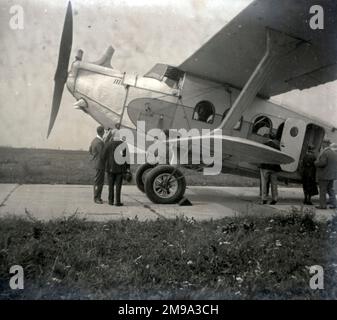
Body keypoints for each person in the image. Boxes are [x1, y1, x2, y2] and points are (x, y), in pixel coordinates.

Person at [102, 129, 130, 206]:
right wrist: (128, 168)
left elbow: (103, 156)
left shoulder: (108, 144)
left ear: (113, 135)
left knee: (110, 186)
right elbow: (127, 158)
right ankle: (117, 202)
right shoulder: (123, 144)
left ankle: (110, 201)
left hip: (110, 168)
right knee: (118, 186)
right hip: (120, 169)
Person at [259, 134, 281, 205]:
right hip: (274, 168)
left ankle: (264, 199)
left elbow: (260, 156)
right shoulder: (277, 147)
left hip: (265, 167)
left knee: (264, 183)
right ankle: (275, 199)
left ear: (267, 138)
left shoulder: (264, 145)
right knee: (274, 184)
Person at [315, 142, 337, 209]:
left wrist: (315, 163)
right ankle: (334, 204)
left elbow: (322, 163)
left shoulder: (325, 153)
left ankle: (322, 205)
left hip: (324, 175)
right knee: (331, 190)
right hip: (332, 176)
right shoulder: (335, 154)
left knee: (322, 190)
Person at [89, 125, 106, 204]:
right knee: (99, 182)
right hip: (100, 164)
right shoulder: (100, 142)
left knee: (98, 181)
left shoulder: (94, 141)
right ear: (102, 132)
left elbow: (90, 151)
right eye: (104, 131)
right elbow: (103, 154)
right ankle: (97, 198)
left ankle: (97, 197)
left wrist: (94, 157)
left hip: (96, 163)